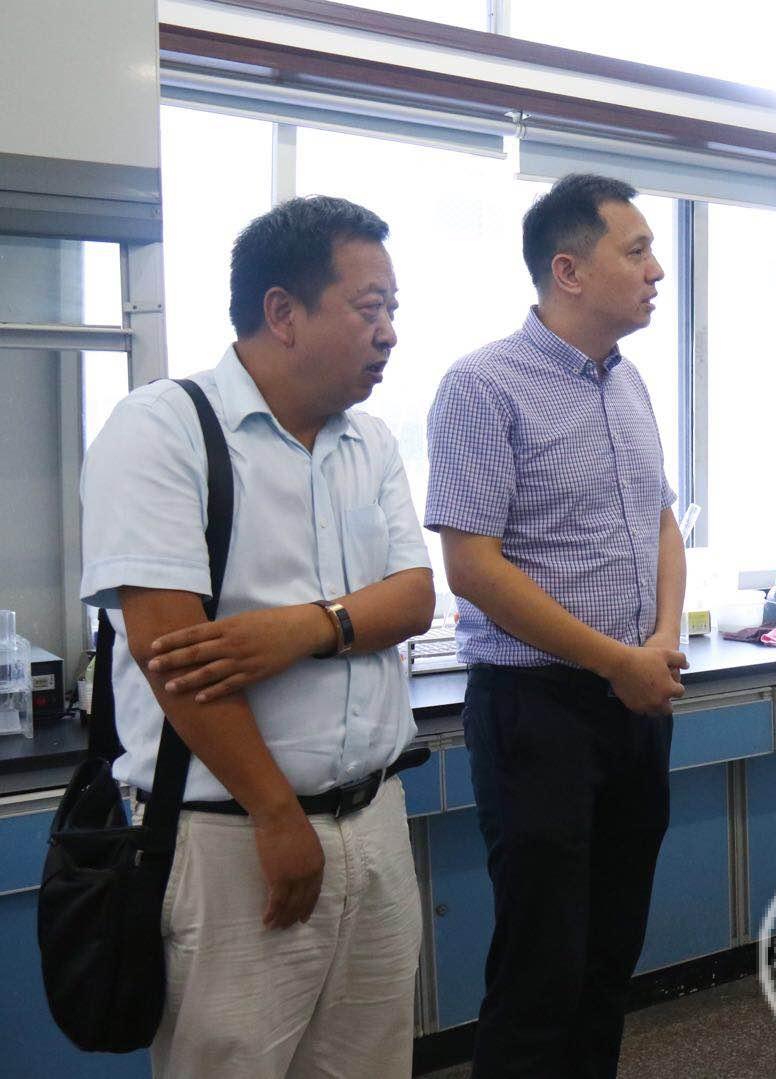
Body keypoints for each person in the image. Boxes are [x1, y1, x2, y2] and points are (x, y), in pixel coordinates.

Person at [79, 195, 436, 1076]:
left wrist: (303, 628)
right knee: (231, 1061)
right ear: (283, 311)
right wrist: (277, 814)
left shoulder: (370, 441)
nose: (389, 331)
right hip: (230, 833)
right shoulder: (163, 428)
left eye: (393, 308)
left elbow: (413, 599)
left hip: (374, 818)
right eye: (369, 307)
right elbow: (173, 654)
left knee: (371, 1063)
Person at [424, 173, 686, 1077]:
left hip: (636, 699)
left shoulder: (629, 382)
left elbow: (660, 521)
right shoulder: (482, 385)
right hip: (536, 709)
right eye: (636, 250)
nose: (656, 270)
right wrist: (617, 659)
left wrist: (658, 638)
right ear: (567, 270)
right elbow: (472, 567)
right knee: (541, 970)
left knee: (609, 959)